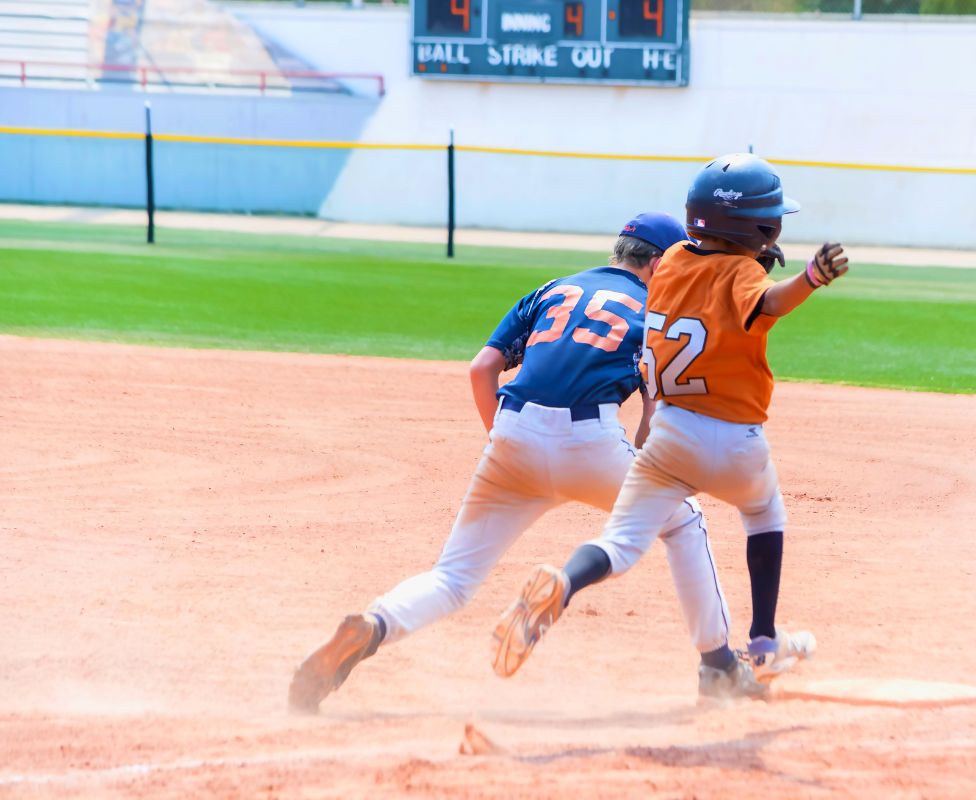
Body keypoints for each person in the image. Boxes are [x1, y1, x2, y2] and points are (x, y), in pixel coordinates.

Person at [288, 212, 763, 714]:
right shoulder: (656, 311)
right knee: (683, 522)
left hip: (511, 434)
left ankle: (374, 625)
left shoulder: (552, 289)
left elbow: (483, 369)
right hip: (592, 441)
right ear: (660, 263)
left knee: (452, 579)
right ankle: (718, 667)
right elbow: (651, 423)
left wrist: (508, 442)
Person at [491, 154, 850, 689]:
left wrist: (750, 253)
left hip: (670, 436)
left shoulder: (675, 260)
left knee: (622, 541)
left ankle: (563, 584)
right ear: (759, 227)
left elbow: (712, 282)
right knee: (763, 513)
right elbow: (768, 302)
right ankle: (764, 642)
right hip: (734, 441)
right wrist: (811, 277)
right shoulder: (745, 273)